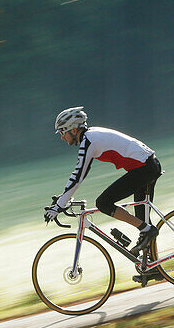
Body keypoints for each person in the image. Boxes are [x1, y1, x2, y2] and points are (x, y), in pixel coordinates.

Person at [44, 106, 163, 285]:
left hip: (144, 169)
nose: (61, 136)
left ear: (73, 129)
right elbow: (79, 174)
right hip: (147, 166)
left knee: (103, 203)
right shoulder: (91, 136)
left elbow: (78, 175)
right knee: (143, 221)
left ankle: (148, 232)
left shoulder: (89, 140)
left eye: (62, 132)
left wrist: (59, 204)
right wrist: (62, 198)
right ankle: (153, 267)